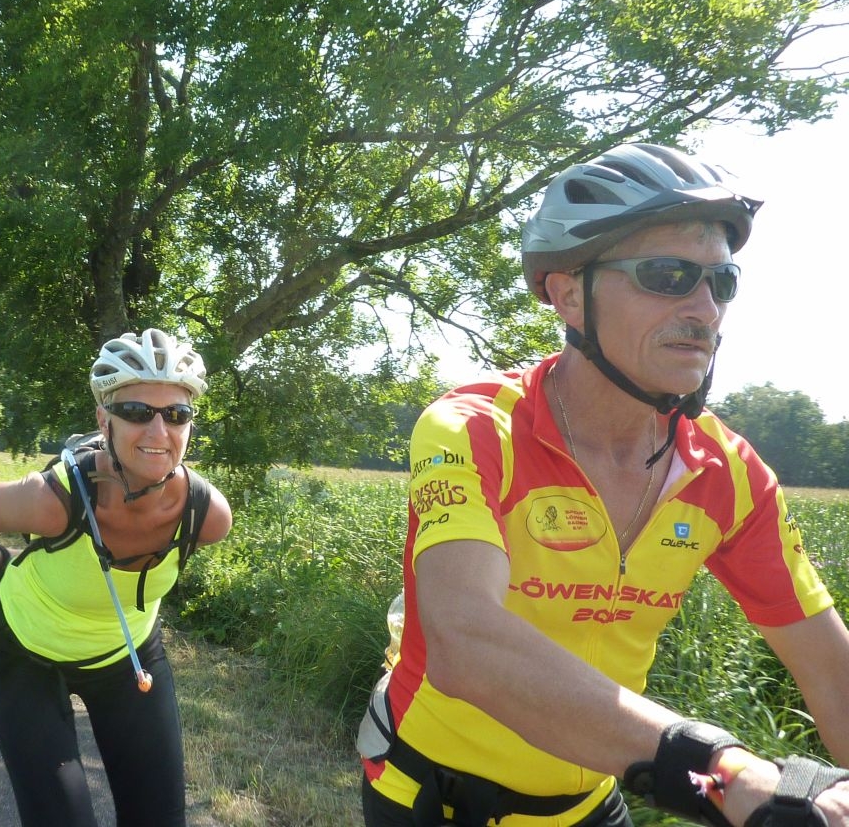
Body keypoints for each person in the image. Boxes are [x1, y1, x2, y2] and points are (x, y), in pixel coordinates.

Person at [359, 143, 849, 827]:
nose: (705, 308)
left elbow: (831, 670)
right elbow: (465, 643)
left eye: (722, 282)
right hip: (430, 795)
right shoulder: (477, 428)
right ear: (569, 295)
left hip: (590, 802)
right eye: (668, 275)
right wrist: (722, 772)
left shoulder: (729, 473)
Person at [0, 328, 233, 827]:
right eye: (136, 412)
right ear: (104, 420)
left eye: (176, 414)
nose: (158, 431)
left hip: (128, 657)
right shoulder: (53, 501)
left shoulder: (206, 516)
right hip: (26, 656)